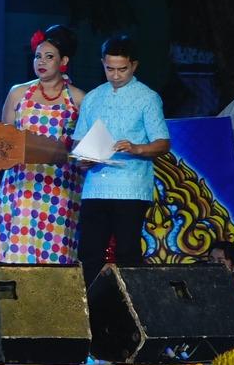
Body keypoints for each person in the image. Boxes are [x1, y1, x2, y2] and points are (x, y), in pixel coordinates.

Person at [70, 34, 169, 289]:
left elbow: (162, 143)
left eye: (122, 69)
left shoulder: (148, 97)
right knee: (89, 251)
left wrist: (136, 148)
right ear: (103, 63)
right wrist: (83, 158)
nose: (115, 75)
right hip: (95, 187)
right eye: (109, 68)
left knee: (127, 252)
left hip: (131, 186)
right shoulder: (93, 97)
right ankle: (91, 307)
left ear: (134, 65)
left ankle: (129, 308)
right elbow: (78, 140)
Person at [0, 25, 84, 265]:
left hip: (60, 185)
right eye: (38, 56)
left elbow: (84, 145)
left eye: (49, 57)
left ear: (63, 61)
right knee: (18, 250)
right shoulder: (18, 93)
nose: (41, 62)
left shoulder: (78, 98)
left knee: (56, 252)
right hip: (21, 181)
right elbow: (3, 139)